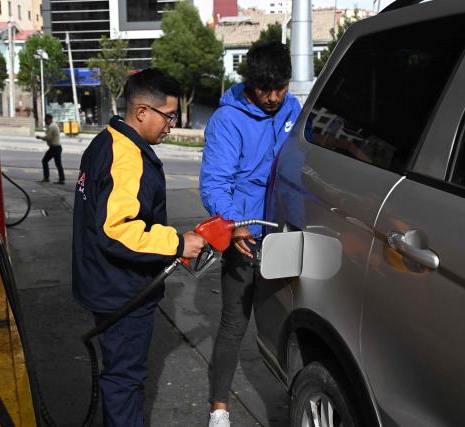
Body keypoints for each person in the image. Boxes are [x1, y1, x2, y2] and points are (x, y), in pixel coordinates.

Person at [72, 68, 205, 427]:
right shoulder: (128, 156)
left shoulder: (106, 140)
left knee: (119, 376)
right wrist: (178, 243)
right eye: (168, 115)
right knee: (124, 382)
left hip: (103, 283)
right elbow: (116, 230)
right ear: (142, 111)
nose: (172, 125)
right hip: (122, 292)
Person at [199, 41, 302, 427]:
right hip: (245, 239)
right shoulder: (228, 120)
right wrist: (233, 224)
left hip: (286, 235)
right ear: (249, 84)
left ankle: (296, 396)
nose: (274, 97)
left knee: (285, 323)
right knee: (233, 324)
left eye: (280, 87)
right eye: (265, 90)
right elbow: (214, 183)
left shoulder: (293, 109)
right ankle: (219, 409)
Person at [36, 113, 65, 184]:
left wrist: (40, 137)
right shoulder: (53, 125)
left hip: (54, 148)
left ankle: (47, 178)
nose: (45, 122)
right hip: (56, 147)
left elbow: (48, 137)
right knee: (58, 163)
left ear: (49, 119)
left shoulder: (51, 127)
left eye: (46, 120)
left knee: (45, 161)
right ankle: (61, 179)